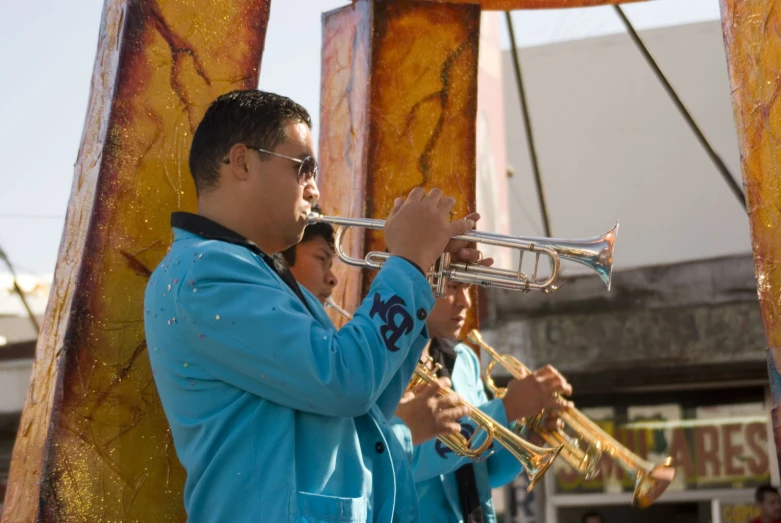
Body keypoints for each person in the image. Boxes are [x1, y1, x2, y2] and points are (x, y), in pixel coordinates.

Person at [143, 89, 484, 523]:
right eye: (303, 168)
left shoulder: (261, 275)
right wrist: (406, 265)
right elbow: (343, 380)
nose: (315, 189)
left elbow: (363, 406)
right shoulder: (205, 272)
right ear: (242, 162)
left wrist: (421, 280)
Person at [391, 280, 573, 523]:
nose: (465, 301)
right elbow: (402, 462)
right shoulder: (385, 364)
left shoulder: (465, 359)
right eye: (453, 286)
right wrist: (506, 409)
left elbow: (482, 471)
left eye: (467, 288)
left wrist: (527, 438)